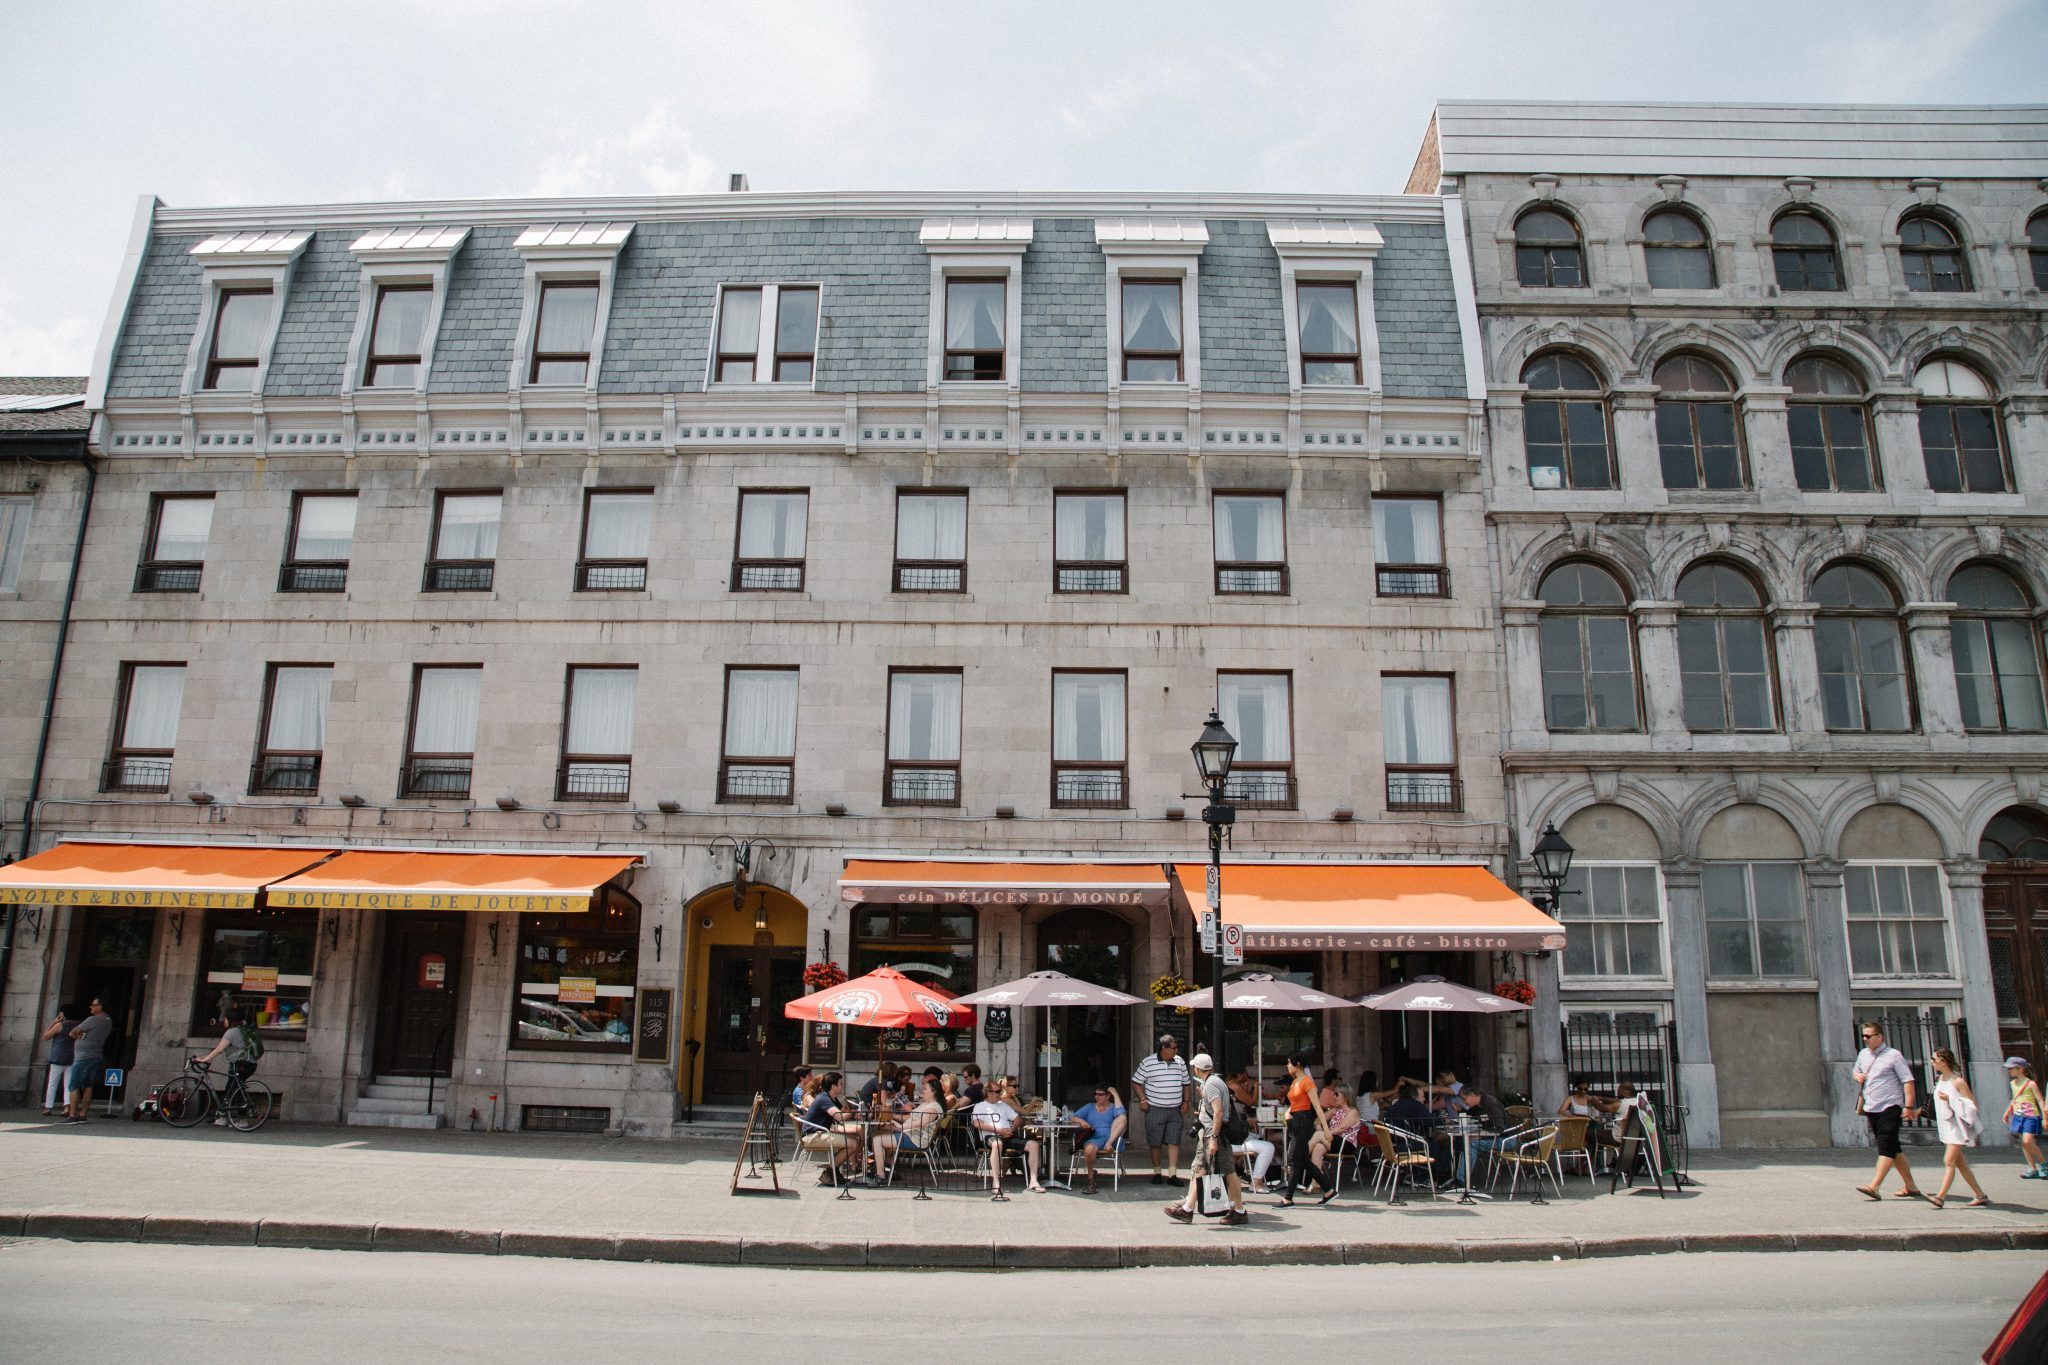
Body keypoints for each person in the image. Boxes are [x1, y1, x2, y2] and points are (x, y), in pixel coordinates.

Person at [1165, 1052, 1248, 1226]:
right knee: (1200, 1169)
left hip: (1214, 1134)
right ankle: (1187, 1208)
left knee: (1229, 1172)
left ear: (1197, 1068)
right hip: (1210, 1133)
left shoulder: (1211, 1084)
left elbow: (1218, 1112)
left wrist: (1214, 1138)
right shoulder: (1213, 1082)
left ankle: (1239, 1211)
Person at [1851, 1021, 1923, 1200]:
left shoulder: (1893, 1055)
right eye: (1863, 1036)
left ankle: (1874, 1186)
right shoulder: (1863, 1054)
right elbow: (1855, 1071)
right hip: (1871, 1106)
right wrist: (1857, 1075)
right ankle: (1911, 1186)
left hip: (1890, 1107)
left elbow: (1908, 1080)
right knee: (1893, 1147)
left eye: (1868, 1036)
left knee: (1886, 1146)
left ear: (1879, 1037)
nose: (1865, 1039)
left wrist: (1908, 1106)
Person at [1928, 1047, 1989, 1209]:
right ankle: (1980, 1195)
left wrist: (1950, 1099)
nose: (1932, 1062)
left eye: (1934, 1059)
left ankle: (1940, 1197)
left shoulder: (1958, 1081)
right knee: (1960, 1164)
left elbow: (1972, 1105)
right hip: (1947, 1126)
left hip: (1957, 1127)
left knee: (1948, 1161)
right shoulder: (1941, 1079)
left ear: (1943, 1061)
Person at [1131, 1034, 1192, 1186]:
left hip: (1175, 1108)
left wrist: (1186, 1101)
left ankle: (1172, 1174)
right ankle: (1157, 1172)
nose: (1176, 1051)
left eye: (1177, 1048)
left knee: (1174, 1140)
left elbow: (1186, 1083)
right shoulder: (1148, 1062)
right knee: (1155, 1141)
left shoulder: (1180, 1062)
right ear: (1163, 1048)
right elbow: (1136, 1082)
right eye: (1174, 1048)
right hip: (1155, 1107)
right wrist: (1143, 1099)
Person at [1278, 1052, 1337, 1206]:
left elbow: (1317, 1106)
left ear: (1298, 1064)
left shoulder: (1307, 1082)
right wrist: (1289, 1112)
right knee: (1304, 1160)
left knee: (1293, 1159)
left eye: (1289, 1062)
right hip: (1295, 1121)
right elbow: (1295, 1103)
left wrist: (1326, 1129)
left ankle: (1288, 1198)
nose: (1287, 1065)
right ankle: (1329, 1190)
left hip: (1303, 1122)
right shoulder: (1295, 1081)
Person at [868, 1074, 946, 1184]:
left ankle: (880, 1175)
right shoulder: (926, 1104)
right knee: (880, 1133)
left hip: (915, 1140)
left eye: (925, 1089)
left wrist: (900, 1127)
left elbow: (920, 1123)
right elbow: (910, 1117)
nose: (923, 1091)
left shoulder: (933, 1108)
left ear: (934, 1092)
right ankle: (885, 1168)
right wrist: (893, 1117)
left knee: (877, 1140)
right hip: (909, 1134)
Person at [972, 1077, 1043, 1195]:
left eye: (1000, 1091)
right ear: (989, 1093)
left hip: (1007, 1136)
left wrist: (1011, 1129)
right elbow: (977, 1123)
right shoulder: (980, 1106)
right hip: (991, 1136)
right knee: (997, 1144)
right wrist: (999, 1131)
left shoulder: (1003, 1105)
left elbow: (1018, 1119)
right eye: (997, 1091)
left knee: (1033, 1145)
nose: (1000, 1094)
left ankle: (1033, 1181)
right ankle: (996, 1181)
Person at [196, 1007, 261, 1121]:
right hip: (250, 1064)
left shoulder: (231, 1032)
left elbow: (219, 1049)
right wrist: (205, 1057)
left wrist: (205, 1059)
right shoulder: (244, 1029)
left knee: (234, 1090)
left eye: (225, 1018)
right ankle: (223, 1116)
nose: (224, 1020)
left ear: (230, 1020)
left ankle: (241, 1119)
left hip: (241, 1064)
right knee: (233, 1089)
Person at [798, 1072, 862, 1184]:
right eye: (841, 1084)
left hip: (820, 1133)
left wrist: (858, 1112)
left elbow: (843, 1112)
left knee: (853, 1138)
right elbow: (839, 1116)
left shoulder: (832, 1098)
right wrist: (853, 1113)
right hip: (812, 1137)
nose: (842, 1086)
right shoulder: (824, 1098)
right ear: (833, 1086)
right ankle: (829, 1171)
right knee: (853, 1144)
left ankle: (834, 1172)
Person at [63, 998, 115, 1124]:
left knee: (74, 1085)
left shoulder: (92, 1019)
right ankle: (83, 1114)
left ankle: (72, 1115)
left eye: (93, 1005)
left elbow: (72, 1033)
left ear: (100, 1006)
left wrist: (81, 1036)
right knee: (88, 1085)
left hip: (83, 1056)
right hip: (96, 1054)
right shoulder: (108, 1020)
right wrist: (84, 1036)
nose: (90, 1007)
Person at [1068, 1085, 1128, 1193]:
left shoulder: (1113, 1107)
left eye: (1100, 1094)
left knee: (1122, 1118)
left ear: (1108, 1096)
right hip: (1094, 1138)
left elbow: (1122, 1114)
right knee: (1089, 1149)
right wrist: (1083, 1122)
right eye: (1095, 1094)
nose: (1097, 1096)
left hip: (1111, 1138)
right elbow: (1073, 1117)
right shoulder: (1090, 1107)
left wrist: (1115, 1094)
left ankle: (1108, 1144)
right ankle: (1091, 1180)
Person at [1226, 1066, 1278, 1191]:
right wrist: (1256, 1088)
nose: (1247, 1076)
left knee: (1258, 1137)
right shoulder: (1236, 1087)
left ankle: (1240, 1168)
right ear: (1239, 1074)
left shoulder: (1228, 1087)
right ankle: (1256, 1181)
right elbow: (1252, 1102)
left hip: (1233, 1137)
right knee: (1267, 1146)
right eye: (1245, 1073)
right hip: (1234, 1139)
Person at [2004, 1057, 2044, 1179]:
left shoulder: (2031, 1084)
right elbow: (2014, 1099)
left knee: (2027, 1141)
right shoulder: (2013, 1083)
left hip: (2031, 1116)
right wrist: (2007, 1112)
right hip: (2018, 1116)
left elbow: (2040, 1100)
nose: (2008, 1070)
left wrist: (2045, 1117)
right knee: (2025, 1143)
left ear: (2020, 1069)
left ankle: (2043, 1164)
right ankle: (2032, 1168)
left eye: (2011, 1068)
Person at [39, 1004, 74, 1117]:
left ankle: (48, 1107)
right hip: (72, 1057)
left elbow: (46, 1036)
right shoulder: (78, 1025)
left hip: (58, 1057)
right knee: (68, 1084)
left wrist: (53, 1023)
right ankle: (67, 1106)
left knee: (52, 1083)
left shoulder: (60, 1025)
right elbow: (83, 1037)